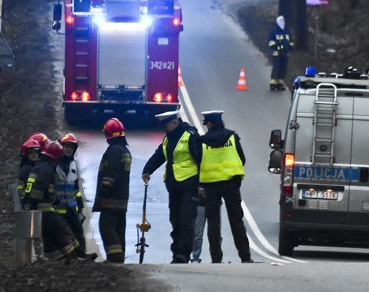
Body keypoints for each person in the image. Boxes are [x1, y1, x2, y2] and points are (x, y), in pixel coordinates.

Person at [142, 110, 201, 264]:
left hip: (190, 185)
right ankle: (176, 253)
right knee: (175, 221)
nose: (164, 129)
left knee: (186, 221)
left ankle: (183, 254)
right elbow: (159, 155)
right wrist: (148, 169)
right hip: (174, 187)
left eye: (165, 126)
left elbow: (202, 161)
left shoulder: (190, 136)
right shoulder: (169, 138)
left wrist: (202, 185)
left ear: (175, 123)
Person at [198, 110, 253, 263]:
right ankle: (245, 257)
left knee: (213, 222)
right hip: (231, 184)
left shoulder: (202, 141)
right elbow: (241, 159)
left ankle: (216, 258)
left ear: (209, 123)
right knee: (237, 221)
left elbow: (198, 163)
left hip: (210, 185)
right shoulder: (232, 137)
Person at [24, 140, 80, 261]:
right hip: (43, 207)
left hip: (41, 205)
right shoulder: (47, 168)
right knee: (62, 228)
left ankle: (53, 259)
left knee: (49, 235)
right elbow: (39, 187)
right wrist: (34, 202)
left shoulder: (40, 166)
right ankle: (74, 258)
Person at [93, 118, 132, 263]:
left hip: (111, 200)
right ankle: (119, 258)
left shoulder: (114, 151)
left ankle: (114, 258)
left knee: (107, 227)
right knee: (118, 229)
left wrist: (102, 194)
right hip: (121, 201)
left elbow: (110, 174)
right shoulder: (124, 150)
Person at [55, 133, 96, 260]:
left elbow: (75, 188)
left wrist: (79, 204)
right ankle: (63, 257)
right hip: (57, 208)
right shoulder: (55, 164)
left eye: (71, 148)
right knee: (62, 233)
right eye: (66, 146)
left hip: (71, 207)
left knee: (78, 231)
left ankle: (82, 254)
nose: (68, 149)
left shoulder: (74, 164)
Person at [267, 15, 294, 91]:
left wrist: (290, 48)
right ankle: (273, 84)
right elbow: (270, 42)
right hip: (277, 53)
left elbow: (291, 41)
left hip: (285, 53)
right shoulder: (274, 31)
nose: (282, 22)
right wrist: (277, 47)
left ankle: (280, 84)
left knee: (283, 69)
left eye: (283, 20)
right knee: (276, 68)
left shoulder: (287, 31)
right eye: (281, 20)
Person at [17, 138, 41, 207]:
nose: (34, 155)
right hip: (30, 202)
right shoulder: (26, 169)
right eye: (31, 153)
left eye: (36, 153)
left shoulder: (36, 167)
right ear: (26, 155)